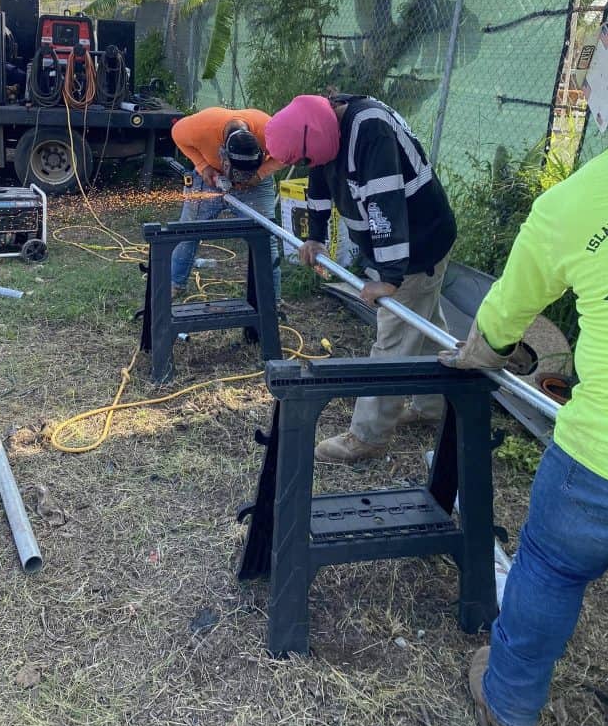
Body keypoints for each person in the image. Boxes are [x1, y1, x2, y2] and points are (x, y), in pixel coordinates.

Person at [438, 147, 608, 726]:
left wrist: (475, 352)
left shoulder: (579, 200)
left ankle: (509, 709)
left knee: (552, 569)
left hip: (598, 458)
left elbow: (501, 325)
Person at [265, 93, 457, 464]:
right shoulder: (326, 128)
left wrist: (389, 278)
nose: (310, 165)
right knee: (425, 325)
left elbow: (386, 206)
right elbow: (318, 178)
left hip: (418, 243)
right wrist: (315, 234)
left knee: (393, 336)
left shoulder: (371, 131)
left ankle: (368, 435)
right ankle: (433, 404)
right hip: (409, 243)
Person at [170, 107, 284, 300]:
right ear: (223, 154)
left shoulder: (270, 129)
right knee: (187, 231)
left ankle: (271, 299)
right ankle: (175, 284)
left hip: (256, 185)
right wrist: (203, 166)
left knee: (265, 238)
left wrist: (259, 174)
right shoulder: (201, 126)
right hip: (211, 178)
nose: (240, 179)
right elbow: (176, 133)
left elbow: (287, 154)